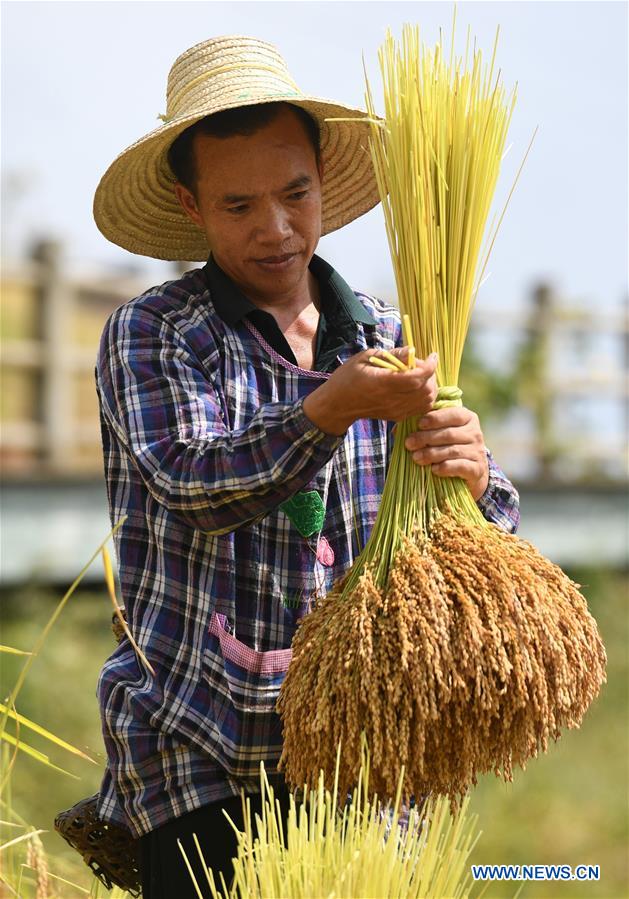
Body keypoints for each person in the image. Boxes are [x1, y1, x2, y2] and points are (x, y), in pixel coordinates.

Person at [92, 35, 520, 897]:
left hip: (368, 767)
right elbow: (191, 482)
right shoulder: (157, 333)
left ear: (322, 179)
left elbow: (473, 542)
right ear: (192, 205)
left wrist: (475, 481)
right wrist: (329, 408)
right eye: (239, 204)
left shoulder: (395, 338)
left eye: (294, 193)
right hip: (202, 757)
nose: (276, 228)